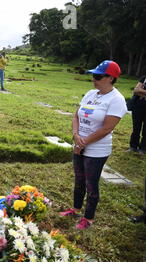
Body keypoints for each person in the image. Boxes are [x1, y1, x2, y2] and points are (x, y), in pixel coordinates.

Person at [60, 60, 127, 230]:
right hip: (79, 144)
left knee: (91, 183)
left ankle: (88, 218)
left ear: (111, 78)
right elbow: (76, 116)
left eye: (98, 76)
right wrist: (76, 136)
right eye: (93, 75)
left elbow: (107, 128)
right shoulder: (91, 93)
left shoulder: (116, 99)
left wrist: (84, 142)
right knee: (78, 180)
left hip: (97, 149)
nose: (93, 79)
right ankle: (75, 209)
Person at [128, 75, 146, 155]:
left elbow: (139, 90)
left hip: (141, 102)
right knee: (136, 128)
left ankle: (143, 148)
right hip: (138, 106)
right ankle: (133, 146)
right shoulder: (144, 78)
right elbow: (136, 90)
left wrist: (141, 91)